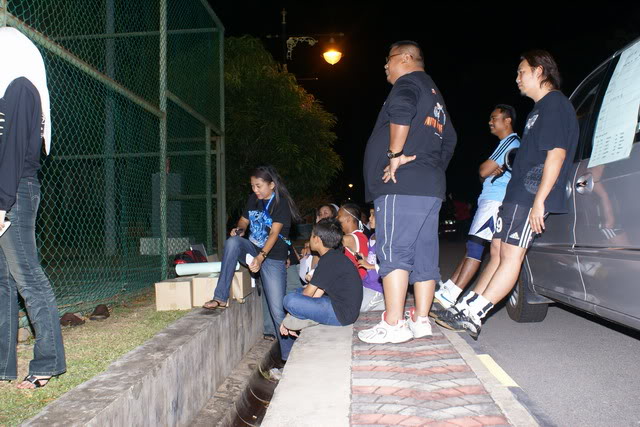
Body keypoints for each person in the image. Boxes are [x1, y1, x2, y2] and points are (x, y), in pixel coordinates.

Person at [437, 50, 579, 339]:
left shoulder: (554, 105)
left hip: (528, 196)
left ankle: (475, 313)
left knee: (512, 255)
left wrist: (540, 200)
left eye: (521, 72)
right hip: (514, 196)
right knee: (498, 251)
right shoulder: (539, 109)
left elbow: (557, 155)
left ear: (539, 71)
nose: (517, 78)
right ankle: (466, 305)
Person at [359, 40, 457, 344]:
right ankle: (421, 320)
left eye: (388, 60)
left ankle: (393, 323)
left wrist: (394, 156)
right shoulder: (434, 93)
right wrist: (431, 168)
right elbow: (450, 139)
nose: (385, 66)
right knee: (424, 255)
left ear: (404, 58)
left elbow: (401, 110)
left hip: (401, 185)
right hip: (429, 188)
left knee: (393, 252)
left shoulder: (408, 82)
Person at [0, 27, 66, 389]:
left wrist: (2, 204)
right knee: (4, 282)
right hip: (7, 192)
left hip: (15, 193)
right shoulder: (9, 90)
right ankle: (3, 365)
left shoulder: (21, 88)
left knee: (28, 278)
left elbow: (12, 154)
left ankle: (48, 362)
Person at [203, 165, 301, 361]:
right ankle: (220, 296)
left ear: (272, 185)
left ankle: (289, 358)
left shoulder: (280, 204)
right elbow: (243, 222)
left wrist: (261, 257)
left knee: (277, 311)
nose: (255, 190)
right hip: (253, 249)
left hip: (273, 256)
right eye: (252, 186)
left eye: (259, 186)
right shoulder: (253, 200)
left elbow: (274, 234)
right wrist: (238, 230)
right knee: (232, 243)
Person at [432, 105, 520, 315]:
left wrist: (486, 171)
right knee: (479, 247)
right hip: (492, 201)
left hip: (495, 201)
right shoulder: (506, 144)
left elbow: (482, 170)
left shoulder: (510, 142)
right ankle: (451, 289)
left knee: (476, 249)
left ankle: (452, 295)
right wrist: (486, 172)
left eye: (494, 118)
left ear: (507, 121)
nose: (490, 122)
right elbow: (483, 175)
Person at [280, 218, 362, 335]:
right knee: (297, 291)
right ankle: (308, 318)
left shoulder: (328, 260)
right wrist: (290, 317)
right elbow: (317, 292)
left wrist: (289, 316)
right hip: (342, 309)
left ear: (317, 239)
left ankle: (307, 319)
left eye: (311, 235)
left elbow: (307, 294)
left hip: (341, 315)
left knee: (289, 300)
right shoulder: (333, 256)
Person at [358, 208, 385, 312]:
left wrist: (370, 266)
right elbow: (372, 259)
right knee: (350, 300)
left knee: (357, 308)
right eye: (370, 214)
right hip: (367, 282)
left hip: (378, 288)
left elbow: (391, 265)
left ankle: (387, 302)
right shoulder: (372, 236)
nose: (369, 218)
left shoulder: (385, 239)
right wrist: (364, 259)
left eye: (373, 215)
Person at [336, 203, 368, 279]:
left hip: (358, 284)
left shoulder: (350, 238)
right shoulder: (361, 236)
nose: (336, 218)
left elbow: (326, 243)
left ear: (349, 219)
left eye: (339, 216)